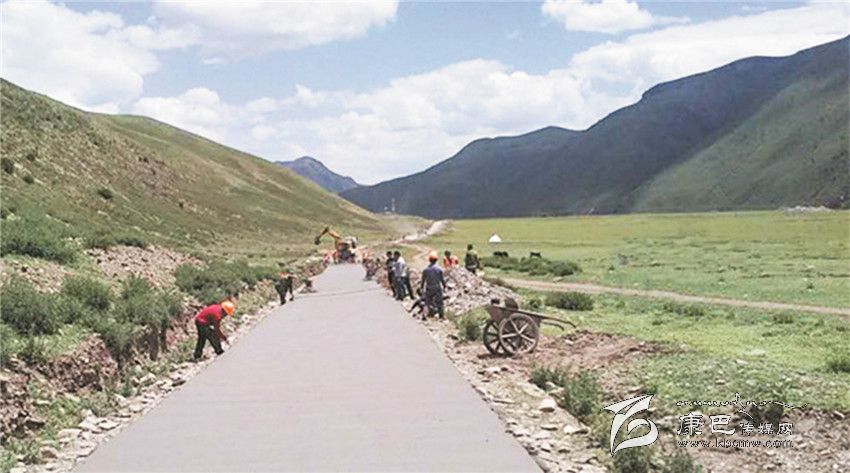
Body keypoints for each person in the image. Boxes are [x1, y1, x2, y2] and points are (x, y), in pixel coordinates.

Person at [421, 251, 446, 318]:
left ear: (429, 260)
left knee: (427, 303)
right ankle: (441, 316)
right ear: (436, 260)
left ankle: (424, 315)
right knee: (439, 302)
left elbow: (423, 280)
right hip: (437, 287)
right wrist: (444, 286)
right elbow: (442, 279)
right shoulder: (439, 269)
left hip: (429, 287)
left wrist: (421, 287)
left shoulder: (426, 270)